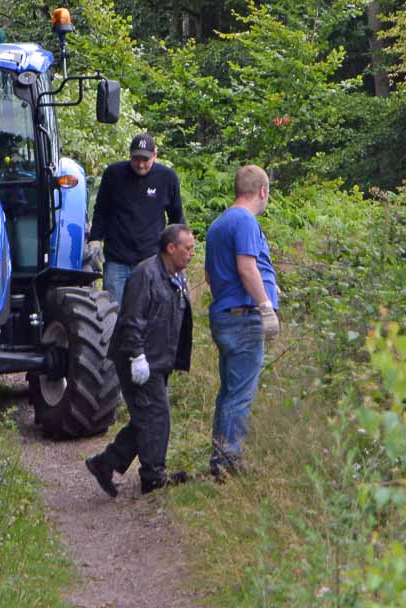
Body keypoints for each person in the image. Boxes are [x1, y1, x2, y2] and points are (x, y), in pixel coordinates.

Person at [86, 222, 195, 497]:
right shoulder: (145, 275)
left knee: (146, 416)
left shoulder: (177, 276)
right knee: (157, 416)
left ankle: (105, 463)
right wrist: (137, 356)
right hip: (138, 359)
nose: (192, 253)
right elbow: (132, 319)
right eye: (188, 248)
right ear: (171, 248)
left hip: (159, 360)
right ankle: (153, 476)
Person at [202, 164, 280, 480]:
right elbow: (247, 268)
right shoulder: (245, 221)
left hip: (225, 315)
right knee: (240, 394)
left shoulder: (218, 224)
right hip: (243, 318)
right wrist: (266, 307)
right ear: (262, 191)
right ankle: (227, 463)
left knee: (229, 392)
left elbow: (210, 276)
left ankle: (220, 456)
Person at [91, 133, 184, 303]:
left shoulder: (167, 178)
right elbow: (101, 210)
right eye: (136, 159)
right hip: (117, 259)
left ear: (155, 156)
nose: (140, 164)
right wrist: (95, 239)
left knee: (150, 309)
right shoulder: (113, 174)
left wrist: (178, 251)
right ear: (130, 155)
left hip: (151, 260)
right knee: (114, 311)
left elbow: (176, 218)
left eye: (145, 160)